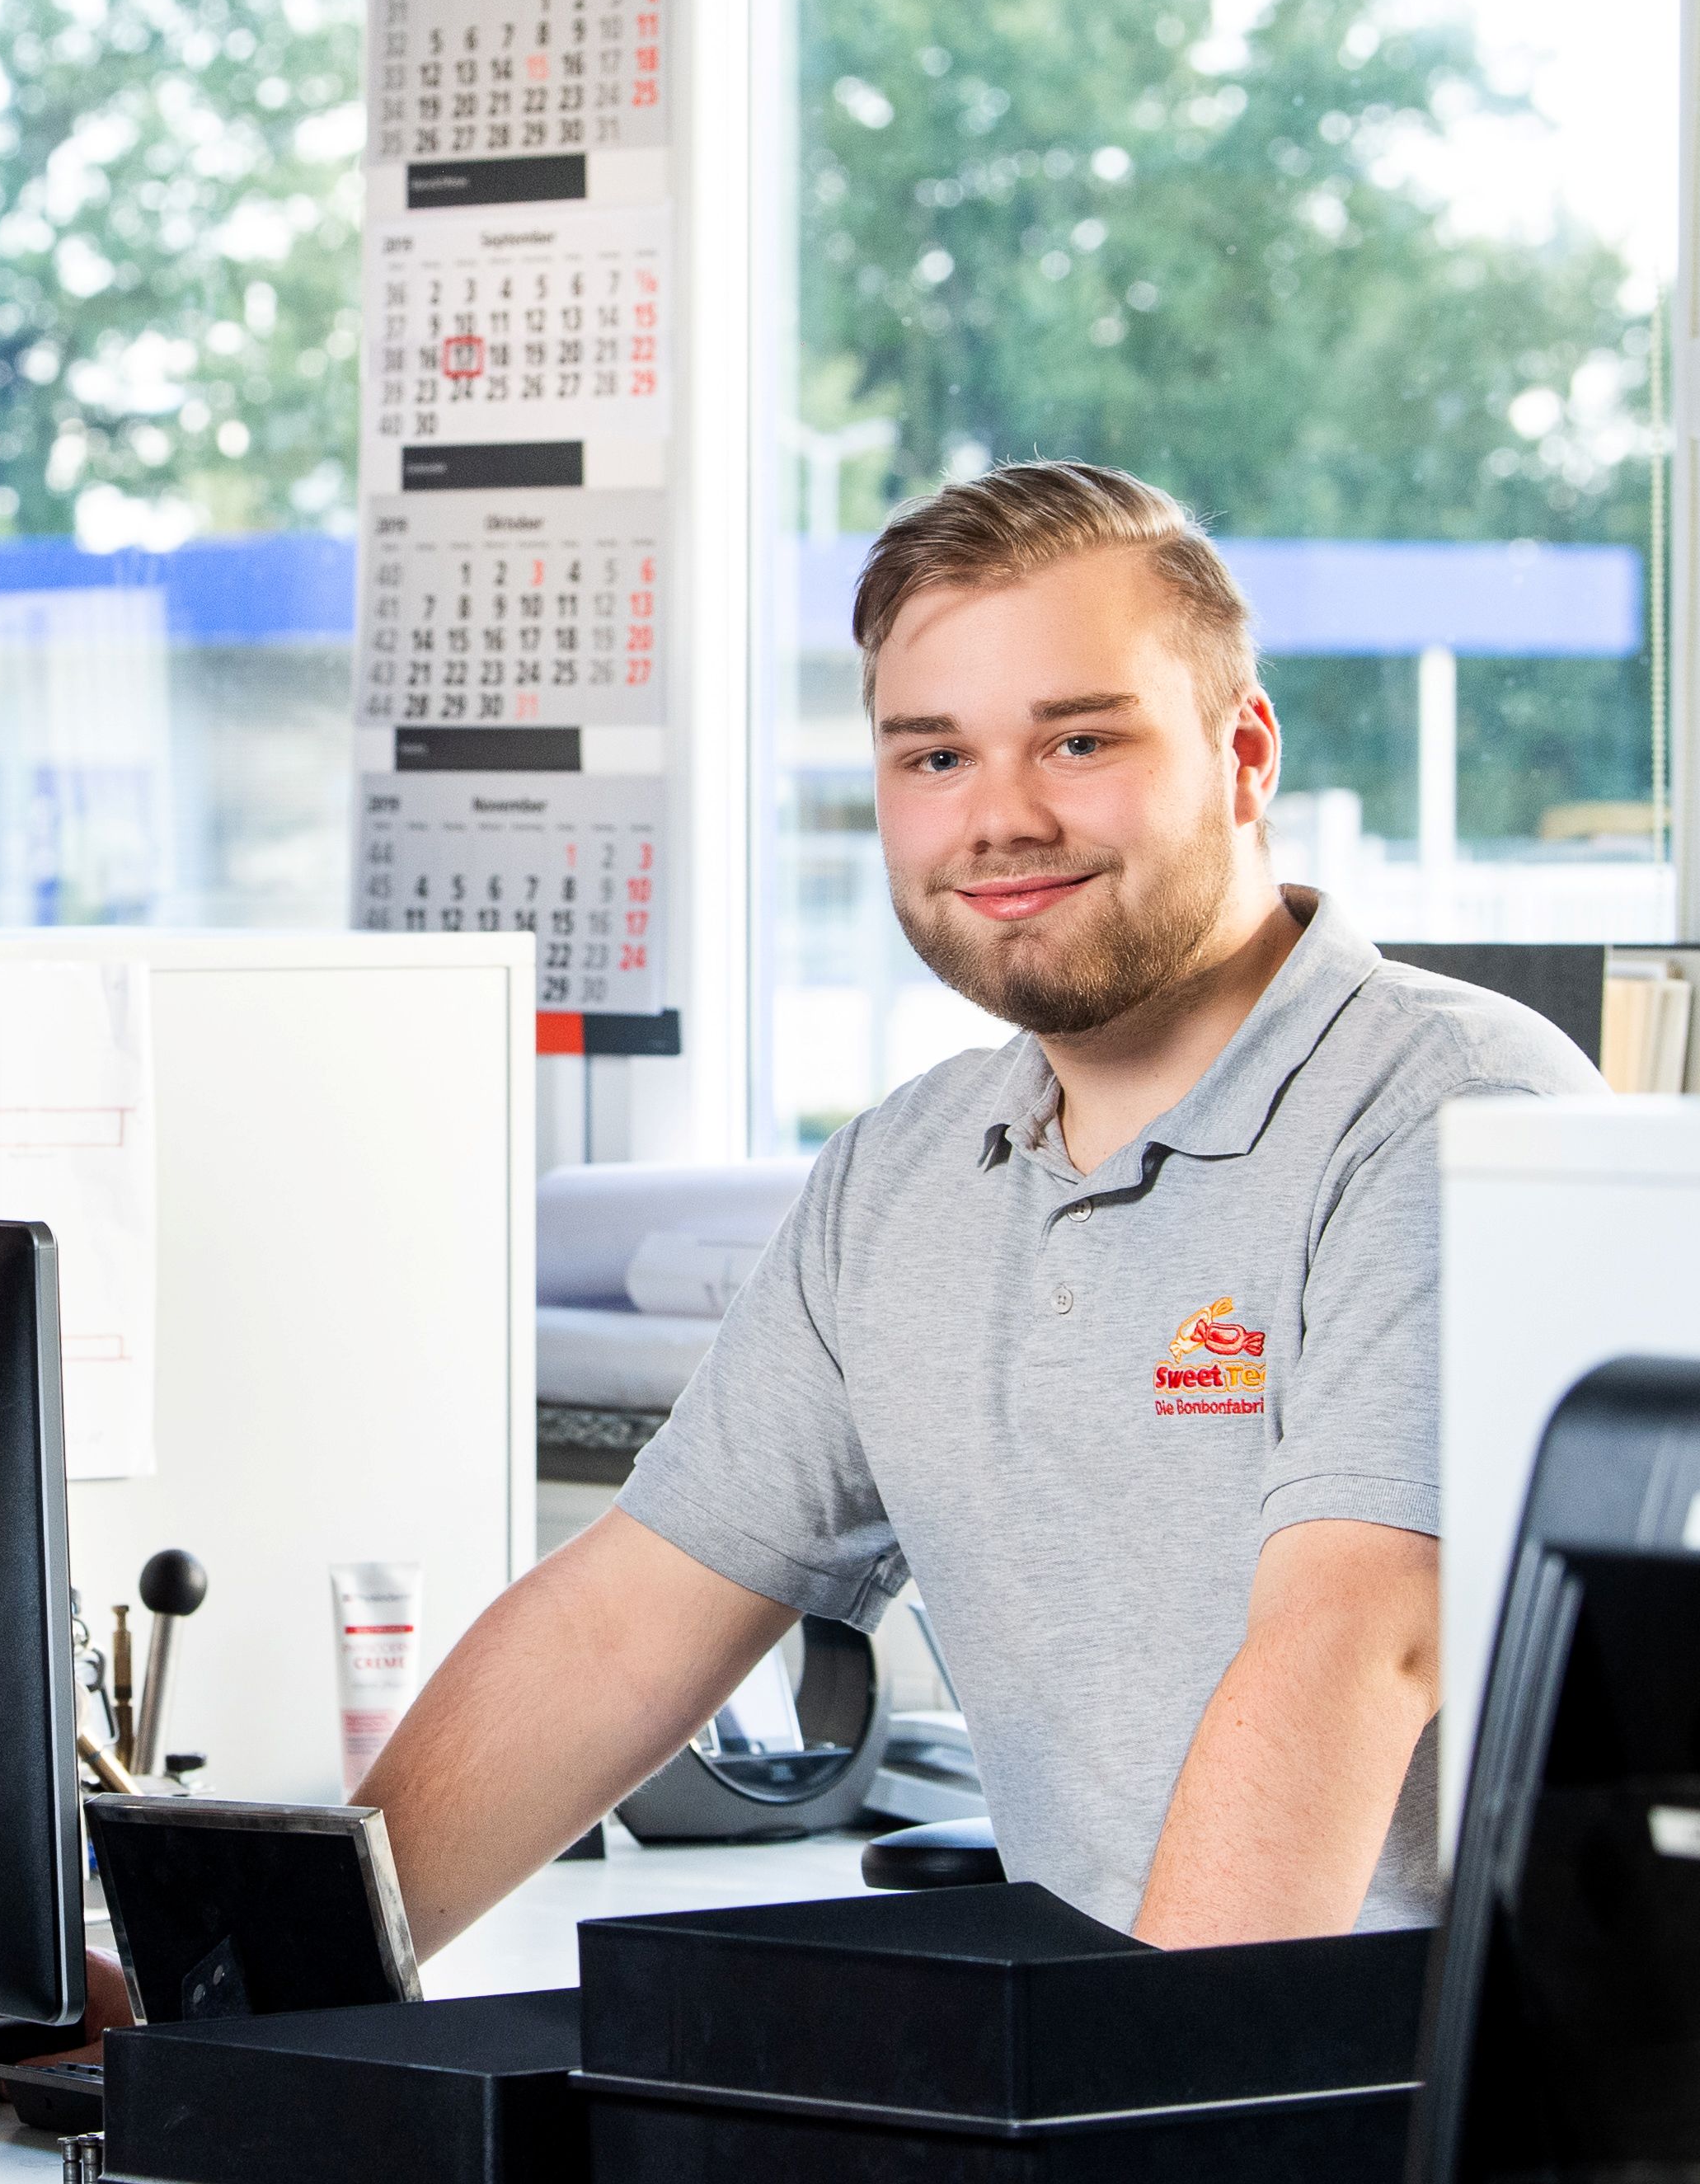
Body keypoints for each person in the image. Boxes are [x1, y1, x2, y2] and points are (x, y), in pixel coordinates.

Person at [350, 460, 1600, 1957]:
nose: (1001, 818)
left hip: (1382, 2080)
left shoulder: (1454, 1108)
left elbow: (1356, 1644)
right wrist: (240, 1999)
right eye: (935, 756)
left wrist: (1146, 2076)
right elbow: (619, 1630)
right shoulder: (904, 1177)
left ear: (1245, 753)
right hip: (1112, 2051)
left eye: (1079, 740)